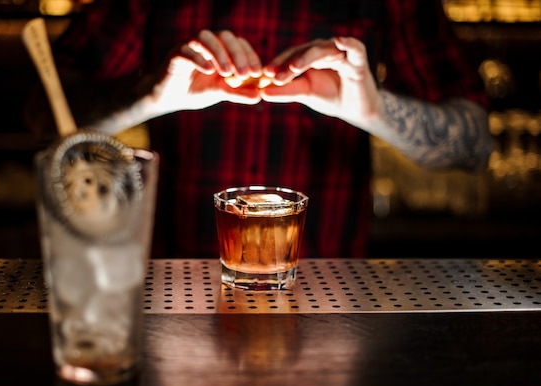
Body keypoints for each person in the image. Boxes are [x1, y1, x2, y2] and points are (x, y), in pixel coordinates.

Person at [24, 0, 494, 259]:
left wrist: (375, 109)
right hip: (175, 293)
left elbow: (473, 143)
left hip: (331, 299)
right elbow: (42, 115)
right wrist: (151, 96)